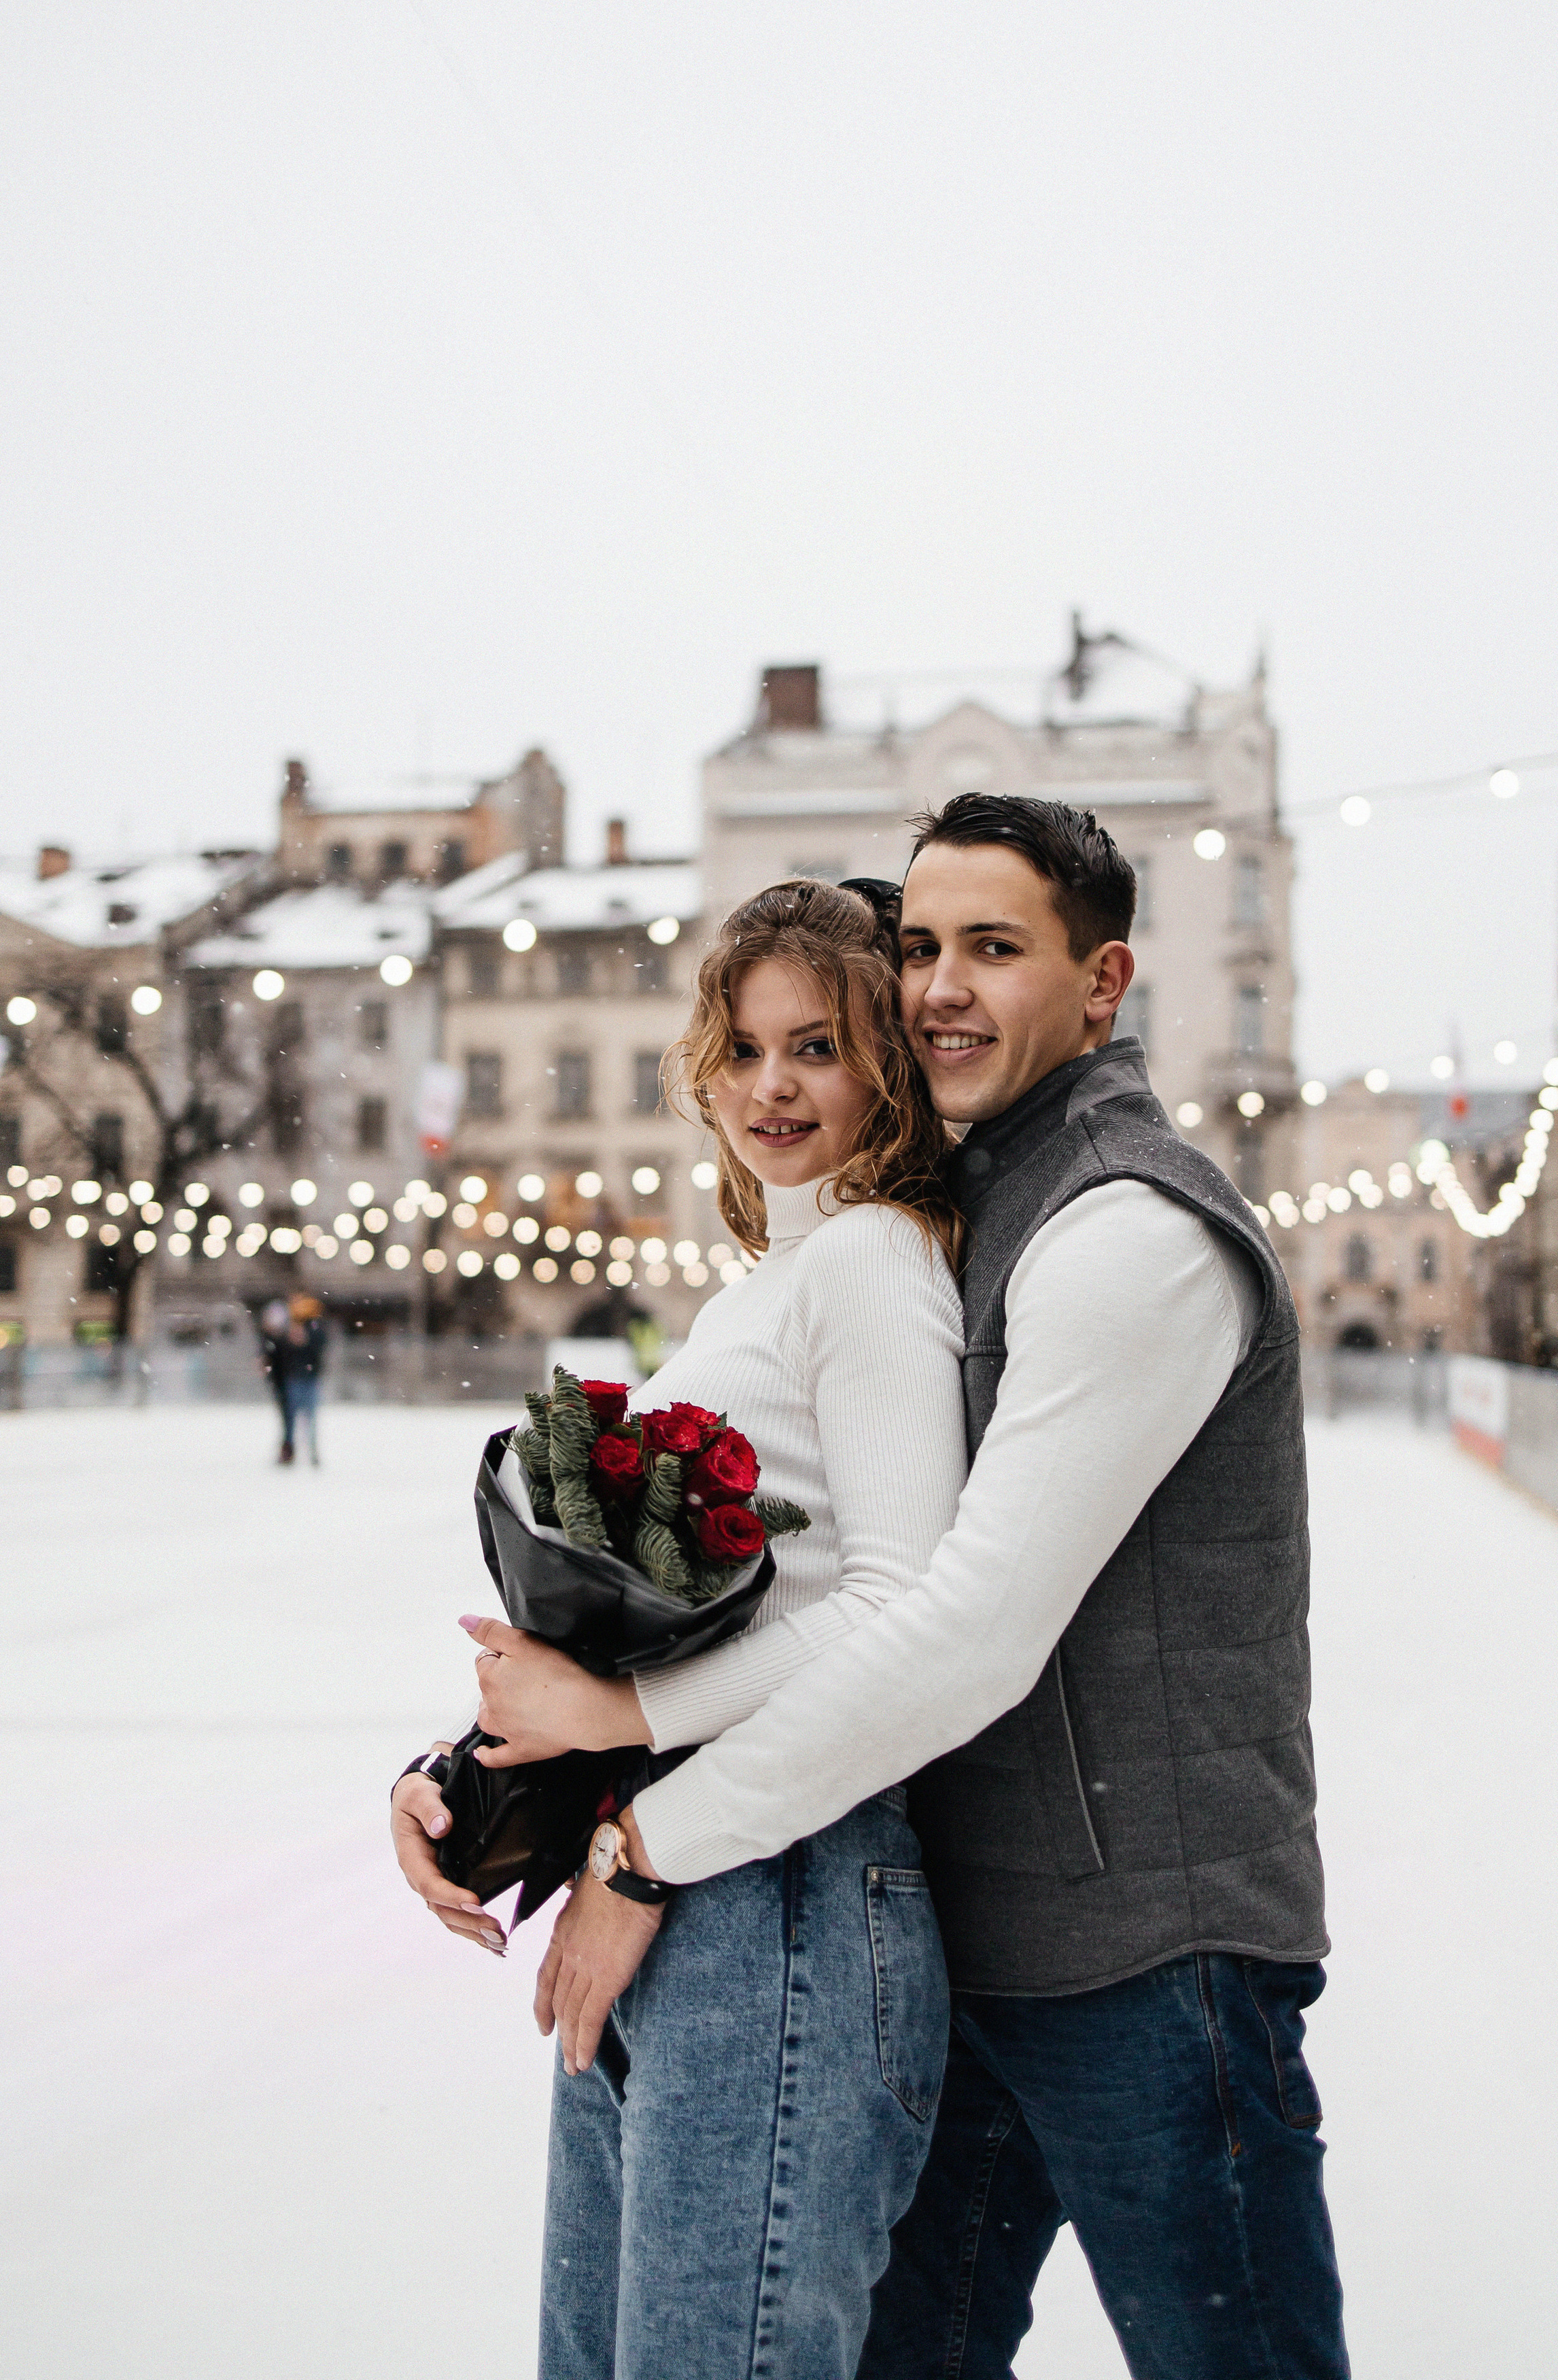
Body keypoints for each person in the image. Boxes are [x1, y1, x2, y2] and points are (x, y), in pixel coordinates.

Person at [483, 796, 1350, 2378]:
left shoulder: (1120, 1226)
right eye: (922, 947)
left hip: (1149, 1955)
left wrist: (636, 1832)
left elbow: (957, 1629)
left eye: (993, 949)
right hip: (971, 1921)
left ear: (1102, 982)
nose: (942, 984)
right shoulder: (963, 1204)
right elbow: (788, 1570)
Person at [390, 880, 970, 2380]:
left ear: (886, 1073)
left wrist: (618, 1727)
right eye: (746, 1044)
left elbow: (898, 1601)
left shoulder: (873, 1263)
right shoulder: (778, 1278)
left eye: (820, 1048)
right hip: (676, 1883)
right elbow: (690, 1622)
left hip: (782, 1895)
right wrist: (478, 1764)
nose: (771, 1084)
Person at [280, 1292, 326, 1466]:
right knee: (294, 1418)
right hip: (297, 1379)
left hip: (306, 1379)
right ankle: (292, 1451)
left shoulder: (314, 1328)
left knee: (307, 1419)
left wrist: (304, 1341)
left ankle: (309, 1451)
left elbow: (318, 1347)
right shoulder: (293, 1326)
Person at [257, 1297, 294, 1464]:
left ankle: (289, 1448)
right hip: (281, 1382)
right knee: (287, 1418)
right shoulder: (268, 1340)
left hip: (291, 1381)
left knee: (290, 1418)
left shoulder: (285, 1339)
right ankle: (288, 1448)